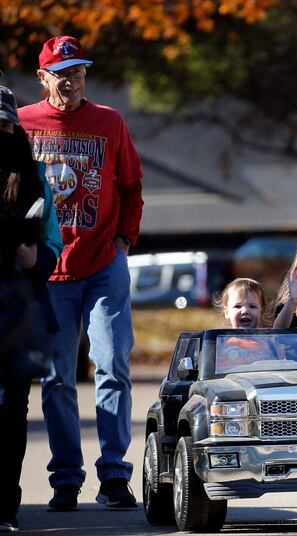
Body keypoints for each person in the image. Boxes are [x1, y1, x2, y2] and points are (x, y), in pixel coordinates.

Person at [18, 36, 144, 511]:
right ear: (43, 77)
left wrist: (122, 242)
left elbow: (132, 188)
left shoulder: (110, 122)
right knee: (56, 379)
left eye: (78, 71)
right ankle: (65, 478)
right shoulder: (25, 124)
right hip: (50, 273)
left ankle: (114, 475)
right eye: (61, 71)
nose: (70, 79)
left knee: (113, 366)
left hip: (102, 267)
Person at [0, 85, 63, 532]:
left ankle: (5, 506)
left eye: (5, 126)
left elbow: (55, 245)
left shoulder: (35, 177)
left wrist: (34, 258)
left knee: (11, 410)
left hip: (18, 312)